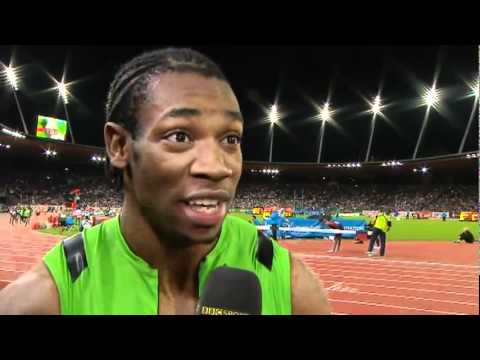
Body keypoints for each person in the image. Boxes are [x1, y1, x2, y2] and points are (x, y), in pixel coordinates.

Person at [0, 48, 330, 315]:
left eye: (230, 139)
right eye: (180, 135)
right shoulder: (43, 300)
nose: (217, 167)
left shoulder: (293, 288)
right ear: (119, 146)